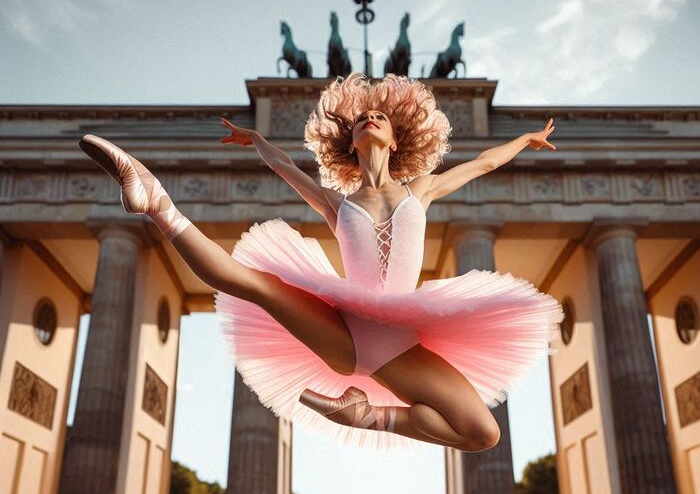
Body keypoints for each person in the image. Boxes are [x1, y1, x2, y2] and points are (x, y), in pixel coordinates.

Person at [78, 73, 561, 452]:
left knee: (483, 434)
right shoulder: (338, 203)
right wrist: (256, 140)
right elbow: (288, 169)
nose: (370, 118)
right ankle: (154, 199)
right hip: (346, 328)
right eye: (360, 119)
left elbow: (483, 164)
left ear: (396, 141)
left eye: (380, 117)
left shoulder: (422, 189)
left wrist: (525, 139)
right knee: (255, 284)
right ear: (350, 143)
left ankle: (367, 416)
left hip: (395, 345)